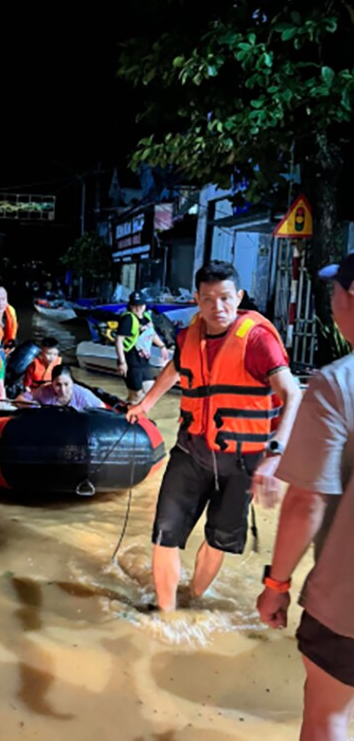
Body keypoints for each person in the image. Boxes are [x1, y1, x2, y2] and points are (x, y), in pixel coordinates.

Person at [127, 260, 302, 612]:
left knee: (219, 540)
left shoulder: (257, 341)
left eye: (225, 298)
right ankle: (166, 617)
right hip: (191, 451)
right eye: (208, 299)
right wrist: (145, 404)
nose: (216, 307)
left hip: (242, 459)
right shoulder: (188, 335)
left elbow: (293, 394)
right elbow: (176, 367)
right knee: (165, 535)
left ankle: (191, 598)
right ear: (196, 299)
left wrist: (276, 454)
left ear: (238, 297)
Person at [257, 251, 354, 741]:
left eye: (337, 290)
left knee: (327, 716)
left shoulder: (337, 384)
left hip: (347, 603)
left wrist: (276, 585)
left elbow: (307, 503)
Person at [115, 291, 169, 404]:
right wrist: (122, 362)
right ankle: (124, 415)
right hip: (131, 362)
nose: (138, 308)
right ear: (130, 305)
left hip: (144, 362)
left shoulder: (147, 317)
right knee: (135, 396)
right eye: (135, 305)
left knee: (150, 393)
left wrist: (162, 346)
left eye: (141, 305)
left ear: (145, 305)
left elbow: (152, 334)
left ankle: (138, 417)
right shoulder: (128, 319)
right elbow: (119, 341)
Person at [17, 364, 106, 410]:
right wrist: (35, 407)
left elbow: (102, 408)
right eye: (58, 385)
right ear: (52, 384)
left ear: (72, 382)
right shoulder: (44, 392)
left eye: (66, 384)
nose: (63, 390)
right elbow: (19, 400)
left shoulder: (83, 395)